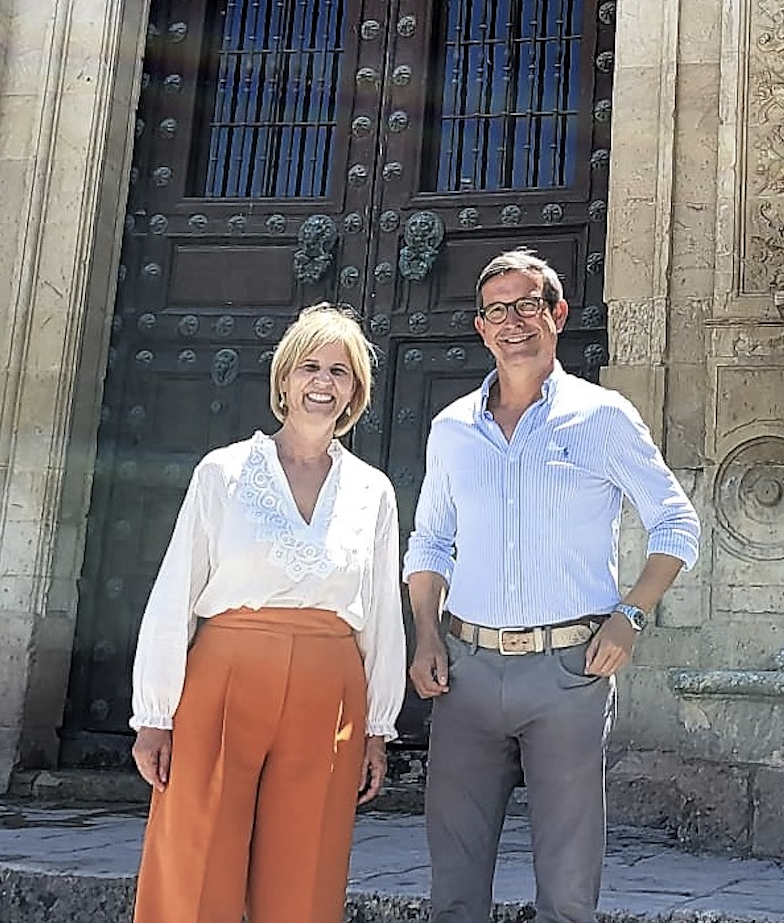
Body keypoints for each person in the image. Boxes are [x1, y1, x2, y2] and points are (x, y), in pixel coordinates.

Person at [404, 249, 702, 923]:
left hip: (568, 672)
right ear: (481, 328)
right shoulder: (451, 429)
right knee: (454, 886)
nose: (513, 322)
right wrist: (425, 633)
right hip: (466, 672)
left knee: (567, 892)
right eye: (497, 311)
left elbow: (676, 522)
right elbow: (430, 542)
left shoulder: (603, 417)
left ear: (558, 314)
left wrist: (631, 614)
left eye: (527, 305)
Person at [129, 303, 406, 923]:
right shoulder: (223, 472)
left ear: (355, 391)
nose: (323, 382)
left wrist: (377, 727)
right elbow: (176, 592)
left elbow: (382, 613)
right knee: (196, 859)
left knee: (305, 872)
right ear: (284, 378)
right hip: (225, 676)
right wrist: (153, 715)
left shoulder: (373, 491)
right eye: (310, 367)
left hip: (328, 688)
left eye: (339, 371)